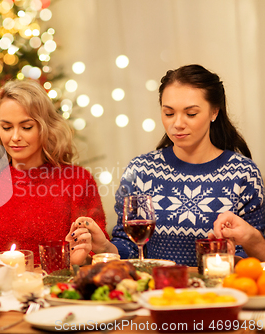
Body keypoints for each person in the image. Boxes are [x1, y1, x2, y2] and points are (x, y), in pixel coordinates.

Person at [83, 64, 265, 266]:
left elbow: (255, 258)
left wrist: (230, 257)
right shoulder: (140, 171)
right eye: (169, 113)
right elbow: (131, 248)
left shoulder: (243, 173)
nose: (177, 123)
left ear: (214, 112)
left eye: (191, 114)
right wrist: (105, 248)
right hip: (154, 295)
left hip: (216, 294)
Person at [0, 79, 111, 265]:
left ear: (45, 127)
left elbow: (98, 251)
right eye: (7, 127)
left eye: (26, 127)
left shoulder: (77, 181)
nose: (15, 137)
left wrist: (77, 259)